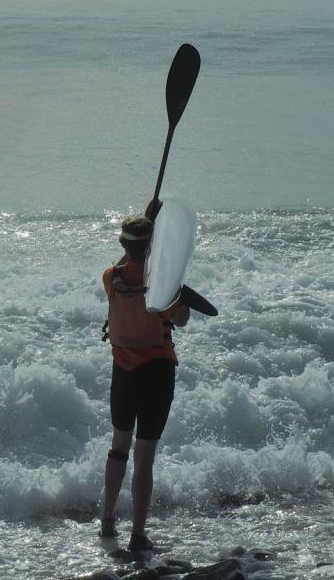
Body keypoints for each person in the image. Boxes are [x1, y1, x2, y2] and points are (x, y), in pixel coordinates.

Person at [98, 202, 189, 552]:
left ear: (123, 245)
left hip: (123, 374)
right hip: (156, 374)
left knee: (118, 446)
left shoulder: (111, 278)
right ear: (152, 245)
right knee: (144, 456)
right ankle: (138, 533)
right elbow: (180, 319)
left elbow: (126, 264)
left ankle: (107, 521)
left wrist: (143, 230)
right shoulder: (161, 285)